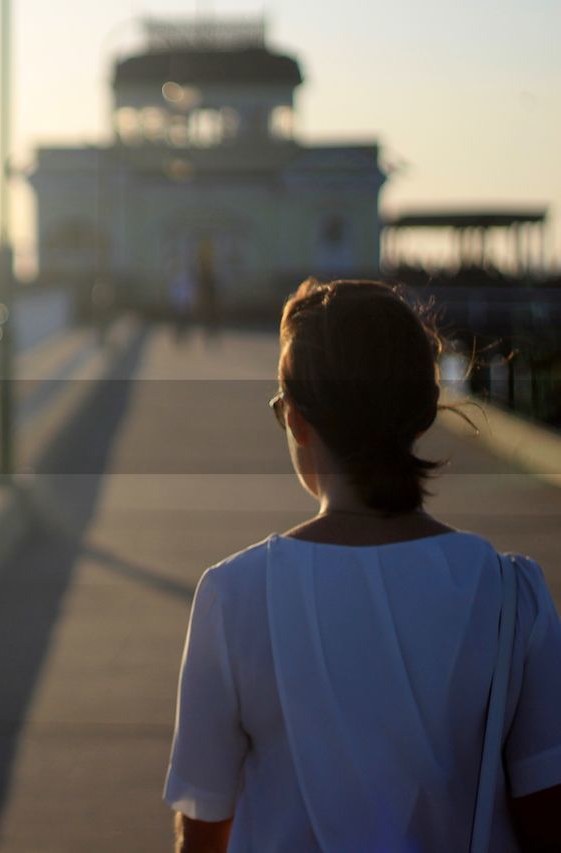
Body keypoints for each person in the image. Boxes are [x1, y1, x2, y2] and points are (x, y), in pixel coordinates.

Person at [164, 279, 561, 852]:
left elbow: (203, 827)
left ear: (298, 421)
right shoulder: (510, 594)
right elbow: (546, 809)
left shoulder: (236, 595)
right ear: (423, 413)